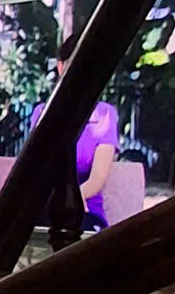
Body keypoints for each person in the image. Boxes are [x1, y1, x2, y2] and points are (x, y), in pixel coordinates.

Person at [27, 56, 119, 227]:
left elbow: (98, 177)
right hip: (46, 206)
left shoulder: (105, 114)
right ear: (61, 67)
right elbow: (37, 168)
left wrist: (76, 197)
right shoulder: (42, 112)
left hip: (86, 209)